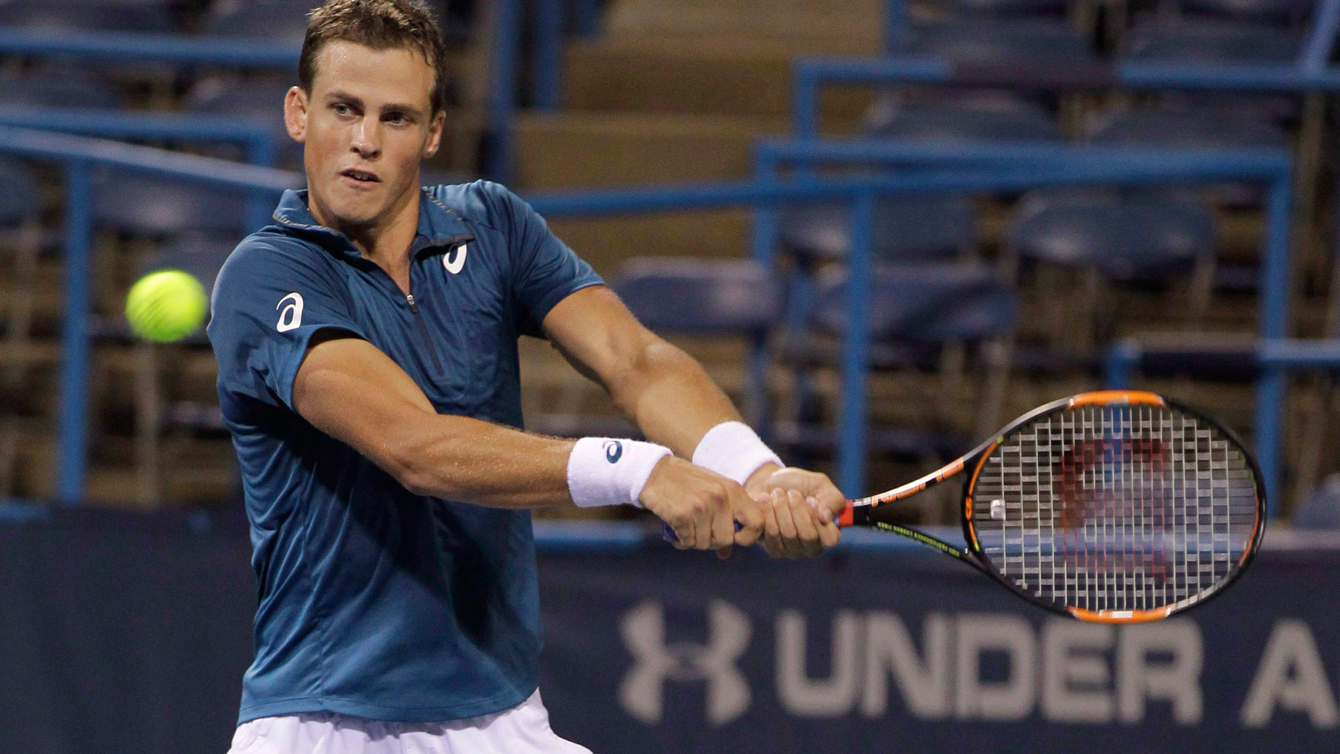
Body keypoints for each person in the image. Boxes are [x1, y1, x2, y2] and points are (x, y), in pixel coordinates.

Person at [206, 0, 844, 751]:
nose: (365, 142)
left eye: (398, 118)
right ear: (298, 113)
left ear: (435, 132)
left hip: (501, 716)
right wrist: (639, 471)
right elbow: (416, 447)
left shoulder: (494, 224)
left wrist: (755, 470)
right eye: (343, 110)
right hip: (323, 722)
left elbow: (634, 361)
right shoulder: (264, 277)